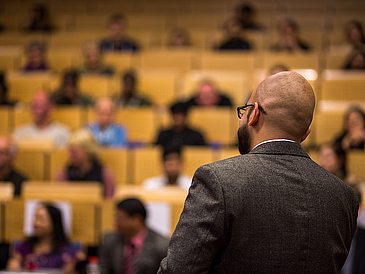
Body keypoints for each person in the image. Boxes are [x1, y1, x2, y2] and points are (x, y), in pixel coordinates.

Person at [158, 71, 359, 273]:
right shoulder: (345, 197)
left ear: (254, 114)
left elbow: (178, 270)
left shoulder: (217, 181)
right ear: (306, 132)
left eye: (243, 111)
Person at [99, 198, 169, 274]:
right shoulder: (110, 240)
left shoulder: (161, 245)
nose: (115, 222)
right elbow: (104, 270)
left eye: (120, 218)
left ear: (136, 220)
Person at [7, 203, 84, 271]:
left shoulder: (67, 252)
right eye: (35, 218)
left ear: (54, 223)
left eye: (41, 219)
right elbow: (12, 269)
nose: (36, 224)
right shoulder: (24, 247)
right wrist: (13, 265)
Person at [56, 128, 115, 198]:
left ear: (88, 151)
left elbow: (108, 203)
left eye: (75, 152)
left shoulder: (104, 174)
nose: (70, 155)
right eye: (70, 151)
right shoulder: (64, 174)